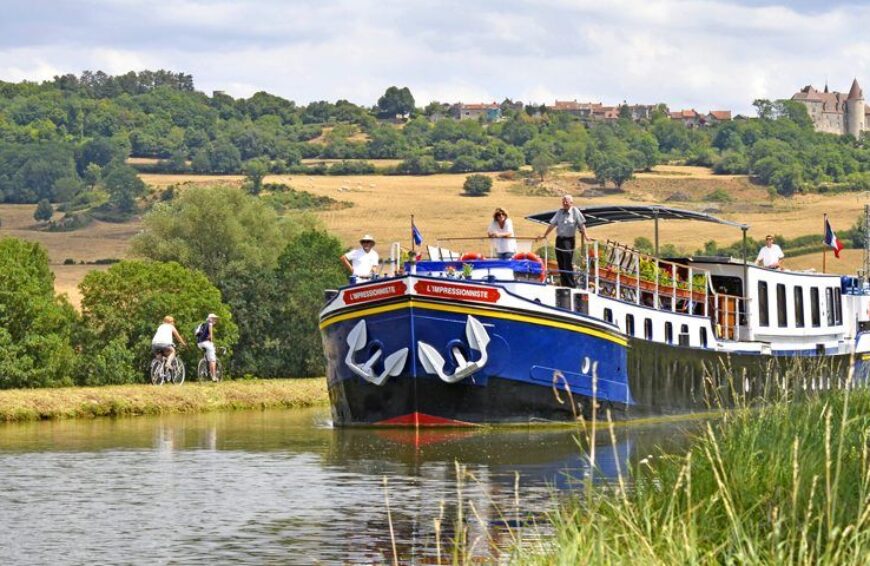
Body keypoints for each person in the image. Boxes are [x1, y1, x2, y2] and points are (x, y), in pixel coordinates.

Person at [540, 195, 588, 287]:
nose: (565, 203)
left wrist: (586, 236)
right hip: (559, 239)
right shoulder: (560, 212)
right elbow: (552, 225)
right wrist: (544, 235)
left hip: (568, 241)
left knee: (567, 262)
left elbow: (582, 225)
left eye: (567, 201)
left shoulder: (575, 211)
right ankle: (564, 283)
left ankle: (571, 284)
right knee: (560, 262)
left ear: (571, 203)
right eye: (563, 201)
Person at [196, 313, 220, 381]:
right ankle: (214, 377)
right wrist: (212, 342)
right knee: (213, 360)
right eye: (214, 318)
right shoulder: (210, 324)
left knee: (209, 357)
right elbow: (211, 335)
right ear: (210, 318)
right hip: (206, 343)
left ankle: (205, 362)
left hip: (199, 343)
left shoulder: (202, 324)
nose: (215, 320)